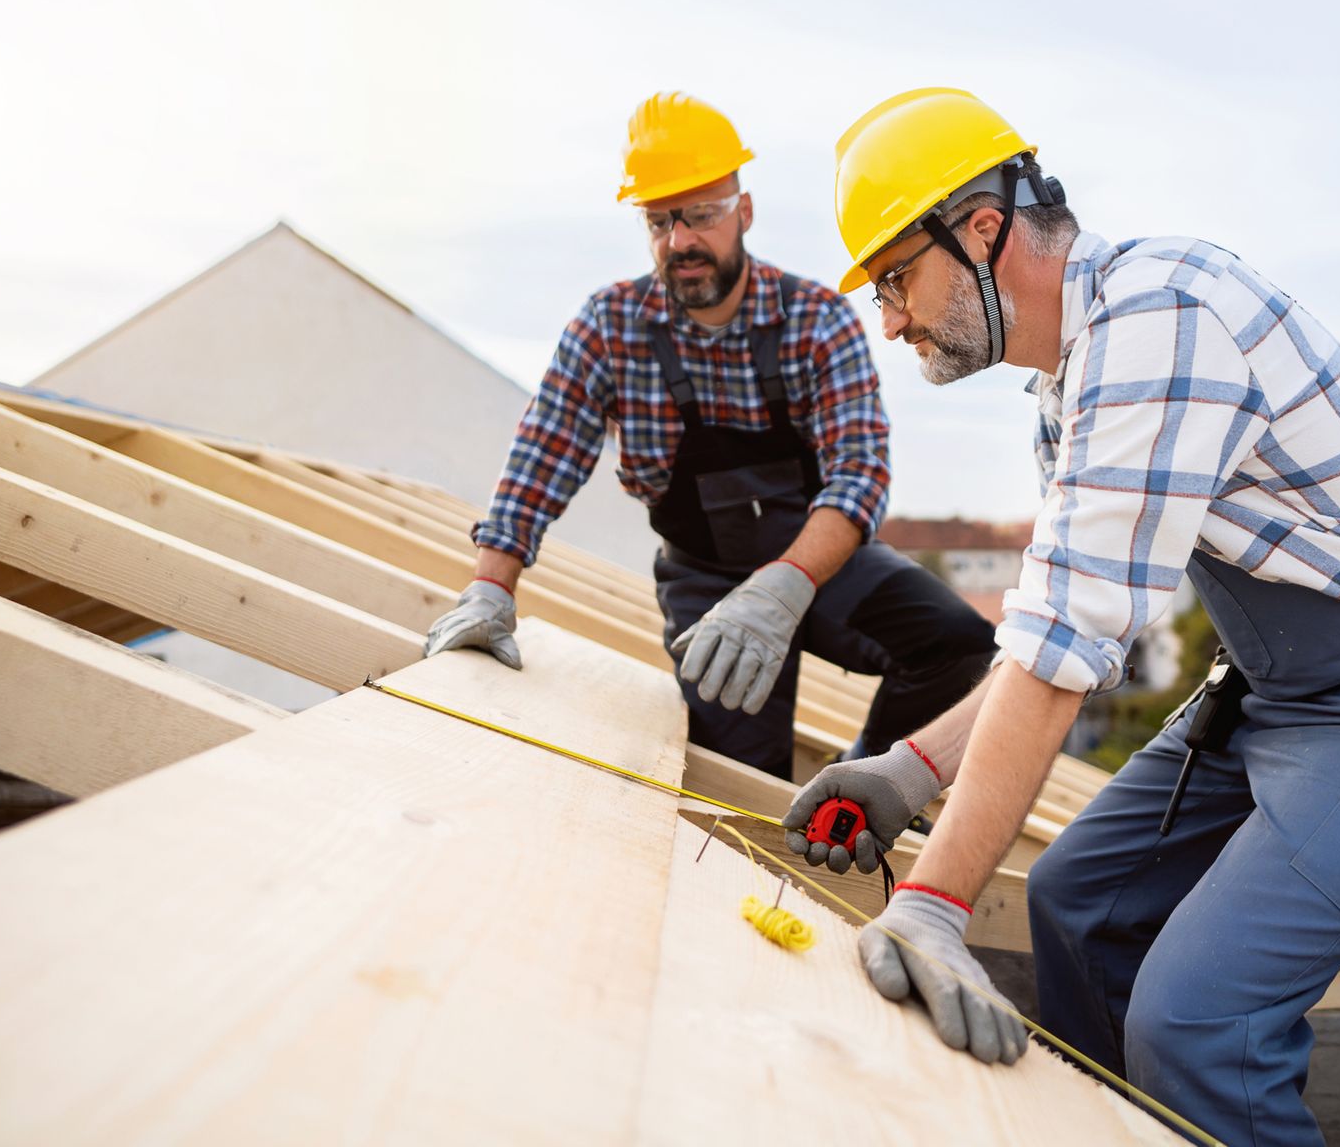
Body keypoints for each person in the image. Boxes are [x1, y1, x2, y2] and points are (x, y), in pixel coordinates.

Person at [782, 88, 1340, 1143]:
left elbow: (1062, 651)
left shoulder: (1161, 320)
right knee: (1077, 907)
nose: (889, 317)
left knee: (1197, 1018)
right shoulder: (1073, 375)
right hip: (1288, 698)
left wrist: (936, 899)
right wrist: (913, 769)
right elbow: (1055, 628)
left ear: (983, 229)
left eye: (897, 276)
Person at [424, 91, 997, 779]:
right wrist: (492, 587)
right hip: (702, 581)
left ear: (743, 212)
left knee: (960, 647)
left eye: (700, 214)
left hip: (818, 564)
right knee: (744, 780)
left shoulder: (814, 319)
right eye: (660, 221)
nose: (682, 240)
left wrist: (786, 583)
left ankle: (859, 787)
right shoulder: (611, 328)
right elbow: (542, 456)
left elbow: (860, 473)